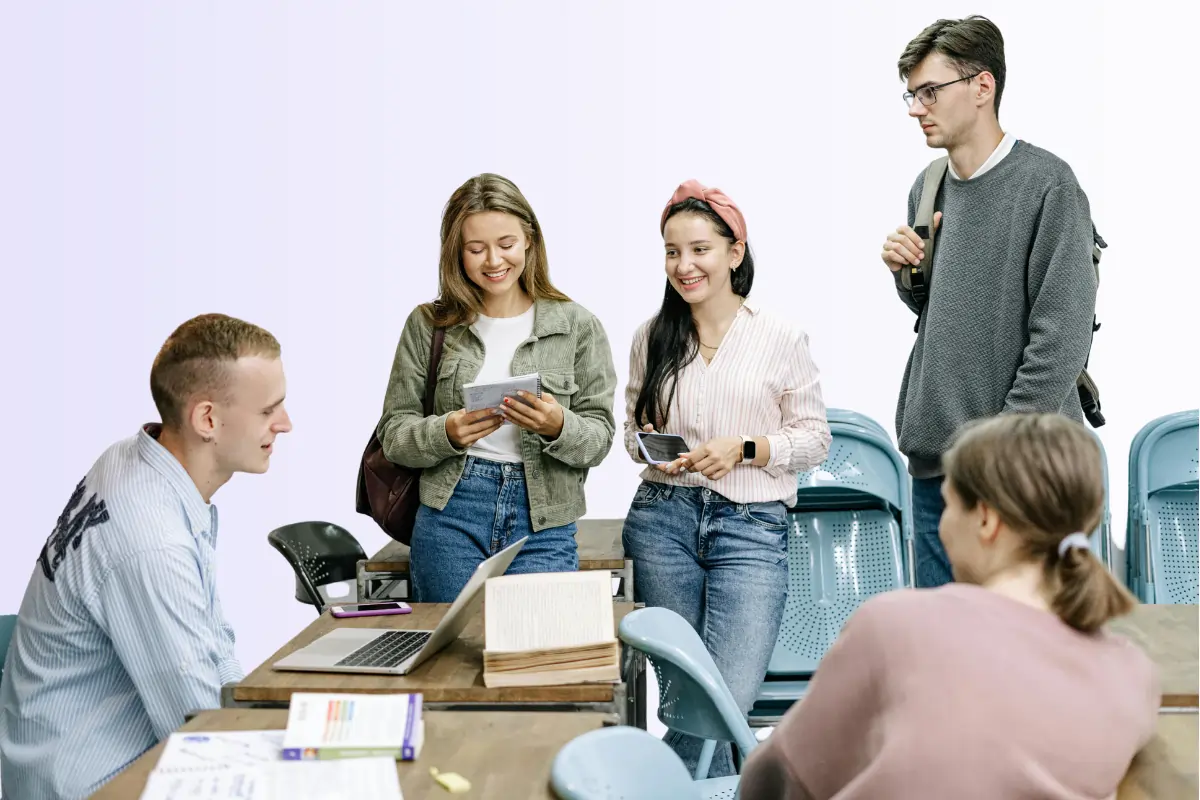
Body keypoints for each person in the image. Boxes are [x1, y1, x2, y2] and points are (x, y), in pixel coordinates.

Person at [738, 413, 1159, 800]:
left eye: (949, 504)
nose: (940, 524)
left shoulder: (896, 625)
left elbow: (775, 780)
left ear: (986, 520)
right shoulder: (1133, 676)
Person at [0, 314, 293, 799]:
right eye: (268, 411)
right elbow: (202, 733)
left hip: (84, 751)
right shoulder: (150, 541)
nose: (285, 424)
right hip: (90, 782)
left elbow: (211, 650)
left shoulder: (135, 458)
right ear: (207, 420)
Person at [879, 16, 1102, 588]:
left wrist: (996, 453)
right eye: (911, 93)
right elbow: (945, 315)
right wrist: (910, 277)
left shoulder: (1049, 185)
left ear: (983, 87)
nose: (915, 107)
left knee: (1031, 657)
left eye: (930, 91)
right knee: (944, 658)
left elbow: (1061, 338)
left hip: (1021, 474)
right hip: (936, 472)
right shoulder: (927, 187)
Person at [621, 179, 831, 778]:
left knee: (722, 701)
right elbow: (629, 434)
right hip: (663, 522)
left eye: (699, 249)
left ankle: (646, 785)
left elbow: (814, 439)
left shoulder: (781, 336)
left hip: (751, 528)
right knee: (689, 698)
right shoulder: (652, 337)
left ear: (735, 252)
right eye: (671, 251)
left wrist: (745, 448)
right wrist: (652, 447)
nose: (683, 266)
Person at [377, 173, 617, 602]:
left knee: (534, 658)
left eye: (506, 244)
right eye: (475, 249)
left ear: (529, 239)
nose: (493, 261)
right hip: (451, 513)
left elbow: (599, 439)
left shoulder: (577, 326)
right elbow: (394, 435)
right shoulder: (428, 326)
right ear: (456, 252)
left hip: (544, 519)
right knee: (447, 659)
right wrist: (446, 432)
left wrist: (558, 425)